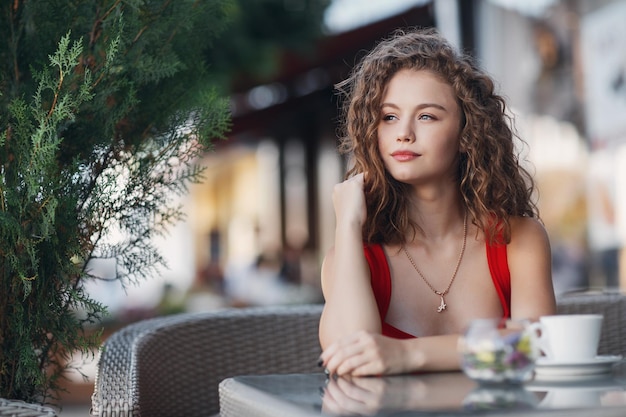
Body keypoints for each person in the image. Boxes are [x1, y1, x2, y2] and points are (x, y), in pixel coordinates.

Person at [318, 27, 556, 377]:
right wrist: (349, 224)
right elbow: (352, 362)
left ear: (466, 132)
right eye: (389, 117)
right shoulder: (352, 255)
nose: (404, 133)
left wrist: (407, 354)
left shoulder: (518, 239)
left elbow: (539, 349)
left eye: (426, 116)